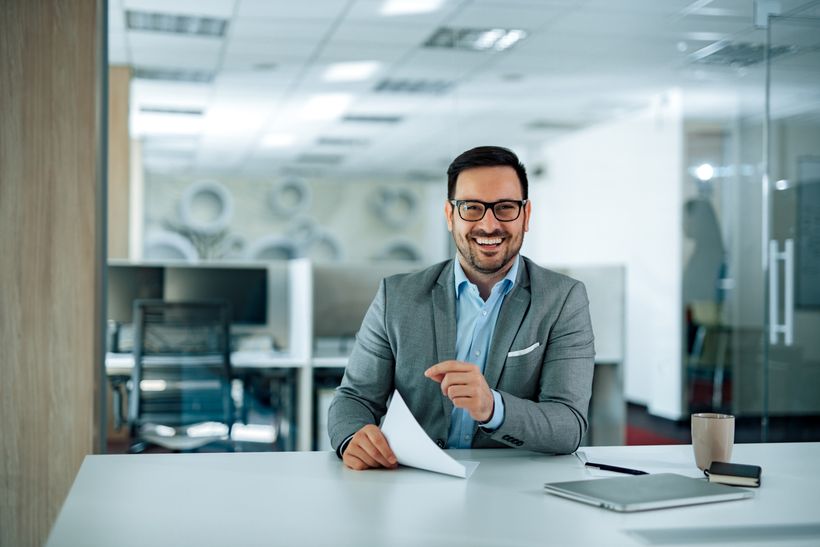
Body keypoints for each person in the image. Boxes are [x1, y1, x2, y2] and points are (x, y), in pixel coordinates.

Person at [328, 146, 595, 471]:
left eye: (506, 208)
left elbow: (569, 424)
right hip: (412, 481)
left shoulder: (562, 299)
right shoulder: (396, 296)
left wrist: (493, 408)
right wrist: (353, 437)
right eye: (471, 208)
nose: (488, 224)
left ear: (526, 216)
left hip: (511, 487)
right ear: (450, 215)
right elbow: (353, 398)